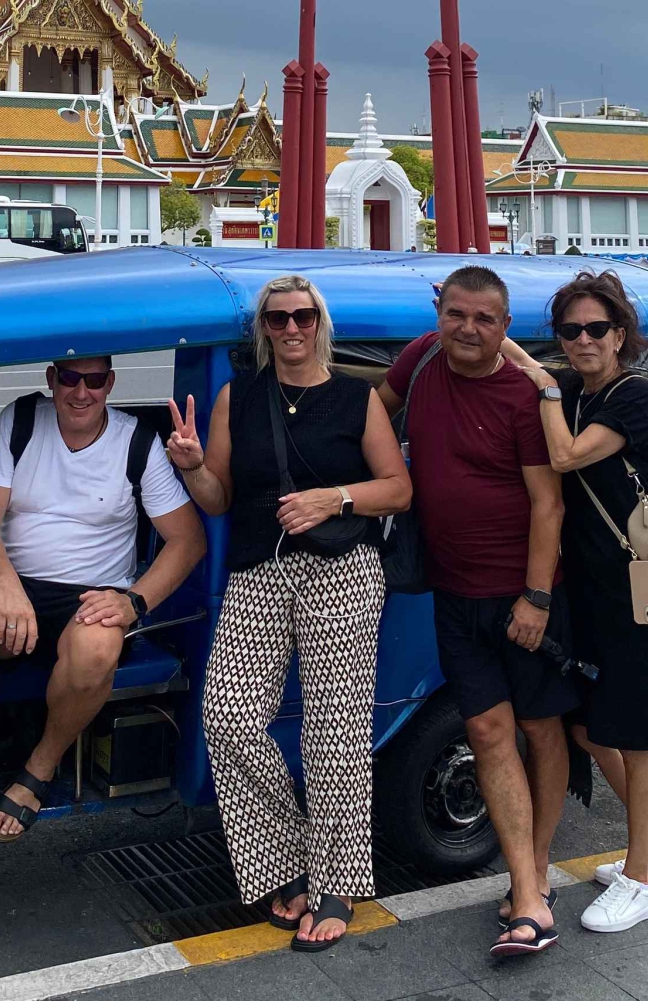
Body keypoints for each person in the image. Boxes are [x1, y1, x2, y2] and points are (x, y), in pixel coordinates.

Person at [166, 275, 411, 953]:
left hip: (342, 571)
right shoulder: (236, 398)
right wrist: (190, 466)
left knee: (334, 732)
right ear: (264, 329)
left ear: (319, 322)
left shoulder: (356, 398)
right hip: (260, 571)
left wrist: (335, 498)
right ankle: (289, 850)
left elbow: (398, 488)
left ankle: (335, 881)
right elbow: (216, 499)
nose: (291, 327)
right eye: (278, 318)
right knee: (229, 715)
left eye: (303, 315)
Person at [0, 356, 206, 864]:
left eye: (95, 381)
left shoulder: (135, 441)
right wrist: (8, 589)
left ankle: (39, 767)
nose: (82, 393)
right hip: (14, 580)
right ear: (52, 379)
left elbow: (186, 541)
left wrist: (133, 602)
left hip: (93, 590)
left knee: (98, 646)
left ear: (110, 384)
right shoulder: (20, 421)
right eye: (71, 379)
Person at [377, 266, 573, 958]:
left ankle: (535, 877)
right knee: (489, 731)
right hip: (454, 594)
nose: (467, 328)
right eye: (456, 314)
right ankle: (527, 887)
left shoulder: (525, 395)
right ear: (440, 315)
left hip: (524, 595)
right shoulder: (420, 362)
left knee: (542, 728)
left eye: (484, 319)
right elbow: (371, 408)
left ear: (505, 327)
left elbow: (548, 502)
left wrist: (537, 596)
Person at [512, 271, 648, 934]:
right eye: (570, 331)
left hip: (640, 586)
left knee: (639, 738)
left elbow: (562, 457)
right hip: (588, 590)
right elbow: (532, 371)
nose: (584, 340)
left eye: (597, 328)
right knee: (590, 724)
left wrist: (540, 384)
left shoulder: (635, 397)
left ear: (620, 334)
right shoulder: (573, 390)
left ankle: (641, 878)